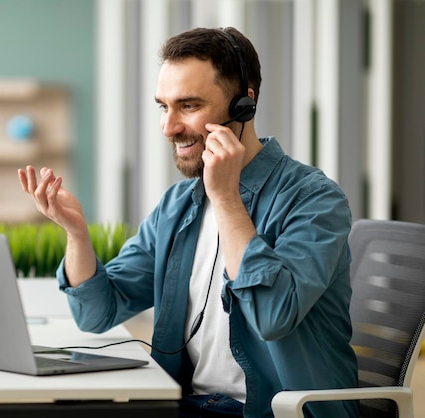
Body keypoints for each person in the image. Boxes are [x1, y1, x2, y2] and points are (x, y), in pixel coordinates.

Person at [18, 27, 358, 418]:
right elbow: (97, 313)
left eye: (189, 106)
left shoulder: (314, 199)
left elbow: (272, 316)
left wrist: (228, 199)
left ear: (244, 104)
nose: (169, 127)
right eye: (164, 106)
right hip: (185, 404)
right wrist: (76, 234)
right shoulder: (178, 205)